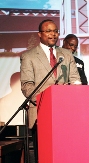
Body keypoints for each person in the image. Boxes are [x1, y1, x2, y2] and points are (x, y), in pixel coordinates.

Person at [20, 19, 81, 163]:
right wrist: (48, 99)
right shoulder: (28, 56)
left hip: (66, 113)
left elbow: (75, 80)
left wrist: (73, 92)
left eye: (55, 31)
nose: (53, 34)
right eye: (48, 31)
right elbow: (27, 86)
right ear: (40, 34)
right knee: (45, 156)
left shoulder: (66, 54)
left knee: (66, 155)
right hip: (41, 113)